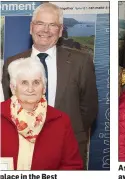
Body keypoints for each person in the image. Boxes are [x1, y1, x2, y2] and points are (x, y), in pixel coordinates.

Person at [1, 3, 98, 163]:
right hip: (24, 147)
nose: (45, 30)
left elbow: (89, 109)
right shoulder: (13, 63)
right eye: (40, 23)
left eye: (52, 25)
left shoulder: (81, 62)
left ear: (60, 31)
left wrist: (65, 131)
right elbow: (7, 104)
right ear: (32, 27)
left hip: (68, 148)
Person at [0, 57, 83, 170]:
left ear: (44, 88)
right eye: (24, 83)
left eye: (36, 82)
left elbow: (72, 166)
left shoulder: (61, 120)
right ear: (13, 88)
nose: (30, 89)